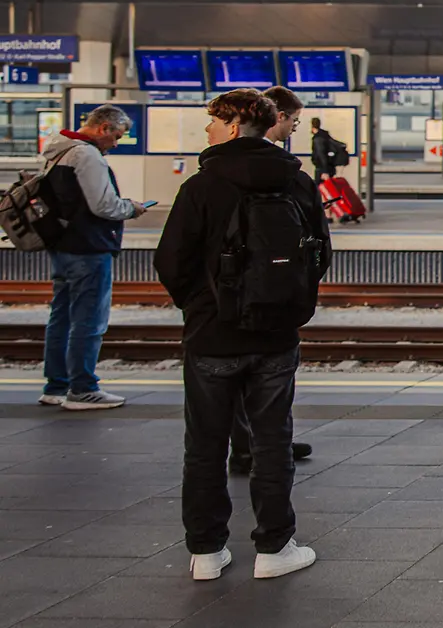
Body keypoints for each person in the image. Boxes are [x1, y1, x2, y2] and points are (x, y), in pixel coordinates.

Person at [154, 88, 329, 580]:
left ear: (232, 126)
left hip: (212, 336)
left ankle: (207, 553)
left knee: (205, 445)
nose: (206, 132)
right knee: (273, 441)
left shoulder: (201, 187)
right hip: (276, 336)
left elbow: (171, 261)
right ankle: (275, 548)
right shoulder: (297, 183)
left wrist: (201, 305)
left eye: (211, 123)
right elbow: (319, 255)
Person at [224, 85, 315, 474]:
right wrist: (299, 291)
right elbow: (317, 246)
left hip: (228, 301)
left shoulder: (212, 176)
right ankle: (267, 448)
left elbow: (178, 254)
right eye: (293, 120)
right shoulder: (292, 177)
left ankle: (246, 448)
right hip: (278, 301)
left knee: (233, 382)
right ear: (277, 117)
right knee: (273, 383)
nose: (294, 128)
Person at [38, 104, 150, 411]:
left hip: (62, 245)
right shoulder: (87, 156)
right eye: (116, 136)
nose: (116, 143)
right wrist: (131, 207)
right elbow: (103, 205)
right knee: (89, 320)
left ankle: (56, 386)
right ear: (103, 128)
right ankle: (83, 389)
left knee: (61, 316)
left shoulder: (57, 152)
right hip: (88, 247)